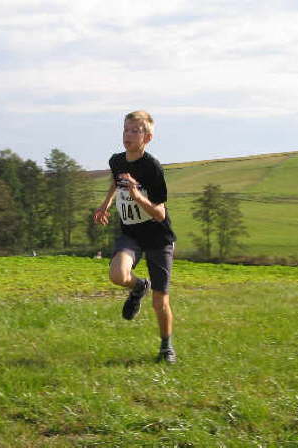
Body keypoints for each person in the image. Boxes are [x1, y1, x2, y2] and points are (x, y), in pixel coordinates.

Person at [93, 110, 177, 363]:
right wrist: (105, 205)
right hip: (131, 233)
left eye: (135, 131)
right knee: (117, 274)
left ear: (147, 138)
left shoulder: (152, 168)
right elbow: (115, 181)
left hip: (158, 237)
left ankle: (166, 348)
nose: (128, 135)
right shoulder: (116, 161)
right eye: (125, 129)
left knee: (160, 301)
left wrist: (138, 196)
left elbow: (160, 213)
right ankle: (139, 286)